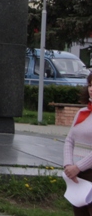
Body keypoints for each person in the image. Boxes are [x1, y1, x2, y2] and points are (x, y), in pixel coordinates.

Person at [64, 72, 92, 216]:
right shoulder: (82, 113)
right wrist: (69, 165)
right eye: (90, 84)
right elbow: (70, 139)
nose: (91, 88)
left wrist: (78, 167)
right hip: (77, 175)